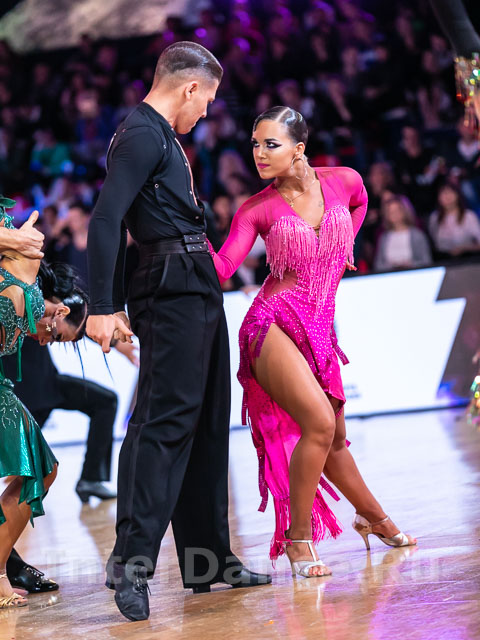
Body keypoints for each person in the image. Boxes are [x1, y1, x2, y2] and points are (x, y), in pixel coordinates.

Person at [86, 42, 270, 622]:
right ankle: (131, 563)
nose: (207, 111)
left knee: (207, 421)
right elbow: (106, 218)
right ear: (190, 87)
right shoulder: (142, 134)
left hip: (194, 280)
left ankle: (208, 560)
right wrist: (103, 305)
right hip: (169, 286)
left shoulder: (159, 135)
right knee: (162, 423)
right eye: (207, 99)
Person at [208, 107, 416, 579]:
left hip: (319, 330)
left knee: (334, 440)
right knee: (320, 424)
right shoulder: (256, 208)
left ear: (299, 148)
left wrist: (345, 245)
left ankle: (375, 518)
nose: (259, 154)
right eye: (255, 144)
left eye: (271, 144)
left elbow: (361, 202)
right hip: (271, 325)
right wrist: (183, 243)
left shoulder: (344, 180)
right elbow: (222, 268)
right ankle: (297, 538)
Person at [0, 197, 89, 608]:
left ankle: (6, 568)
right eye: (55, 334)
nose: (46, 340)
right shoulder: (23, 272)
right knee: (40, 468)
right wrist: (14, 239)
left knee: (41, 468)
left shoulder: (27, 276)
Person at [374, 195, 432, 271]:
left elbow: (426, 262)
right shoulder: (384, 238)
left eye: (397, 210)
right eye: (390, 211)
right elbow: (378, 265)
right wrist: (391, 267)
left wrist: (410, 265)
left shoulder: (417, 235)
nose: (394, 214)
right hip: (390, 276)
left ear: (404, 211)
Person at [428, 183, 480, 259]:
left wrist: (464, 248)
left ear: (457, 195)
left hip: (466, 258)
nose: (447, 196)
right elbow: (434, 243)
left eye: (450, 192)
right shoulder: (434, 217)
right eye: (443, 193)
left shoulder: (468, 216)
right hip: (443, 259)